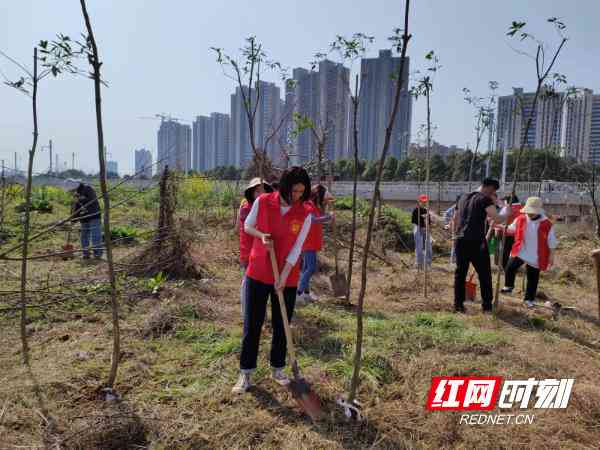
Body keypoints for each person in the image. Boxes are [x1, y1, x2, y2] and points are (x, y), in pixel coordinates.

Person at [232, 166, 312, 394]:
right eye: (294, 191)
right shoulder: (264, 201)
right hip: (258, 271)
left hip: (287, 276)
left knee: (282, 324)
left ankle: (278, 368)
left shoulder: (305, 213)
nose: (297, 196)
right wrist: (261, 236)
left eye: (301, 192)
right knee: (253, 324)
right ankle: (245, 373)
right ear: (285, 187)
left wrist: (284, 277)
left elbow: (298, 248)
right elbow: (247, 226)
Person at [453, 178, 511, 313]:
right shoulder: (484, 199)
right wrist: (506, 211)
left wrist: (455, 234)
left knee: (460, 274)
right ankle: (486, 306)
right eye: (493, 191)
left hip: (460, 239)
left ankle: (458, 305)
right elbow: (497, 218)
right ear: (489, 188)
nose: (492, 194)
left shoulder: (462, 197)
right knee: (484, 274)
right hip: (476, 242)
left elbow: (455, 218)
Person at [501, 197, 558, 307]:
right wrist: (502, 227)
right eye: (529, 211)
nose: (530, 214)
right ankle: (509, 286)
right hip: (521, 249)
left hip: (537, 253)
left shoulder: (546, 224)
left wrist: (552, 255)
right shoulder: (521, 219)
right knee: (510, 266)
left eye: (533, 212)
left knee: (532, 277)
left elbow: (552, 241)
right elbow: (512, 228)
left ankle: (529, 299)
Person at [238, 178, 272, 316]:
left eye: (263, 191)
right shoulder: (247, 208)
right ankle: (246, 312)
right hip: (248, 251)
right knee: (248, 282)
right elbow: (247, 220)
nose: (260, 194)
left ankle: (256, 310)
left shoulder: (268, 208)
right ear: (251, 193)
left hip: (261, 252)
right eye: (257, 191)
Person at [297, 184, 335, 305]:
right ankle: (298, 293)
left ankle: (306, 293)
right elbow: (313, 220)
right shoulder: (308, 205)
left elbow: (320, 216)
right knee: (311, 268)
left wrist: (328, 202)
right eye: (322, 198)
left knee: (305, 268)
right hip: (309, 242)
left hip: (312, 241)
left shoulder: (315, 206)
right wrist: (328, 217)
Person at [69, 180, 103, 261]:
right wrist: (72, 220)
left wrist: (80, 199)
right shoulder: (75, 195)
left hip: (93, 215)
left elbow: (92, 201)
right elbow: (75, 209)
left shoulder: (88, 188)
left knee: (95, 235)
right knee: (84, 236)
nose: (71, 192)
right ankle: (86, 253)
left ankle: (97, 254)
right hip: (84, 218)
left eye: (71, 190)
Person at [493, 194, 522, 270]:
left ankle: (505, 266)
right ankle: (513, 266)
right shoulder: (522, 208)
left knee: (505, 250)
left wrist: (496, 225)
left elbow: (499, 219)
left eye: (505, 201)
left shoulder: (507, 208)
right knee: (514, 251)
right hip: (518, 233)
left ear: (508, 201)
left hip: (507, 232)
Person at [412, 194, 432, 269]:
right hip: (418, 228)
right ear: (419, 201)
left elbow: (429, 223)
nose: (424, 203)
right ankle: (419, 264)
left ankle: (428, 263)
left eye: (425, 202)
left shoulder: (426, 210)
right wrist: (422, 222)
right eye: (422, 201)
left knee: (429, 247)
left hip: (426, 229)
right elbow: (414, 222)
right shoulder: (415, 210)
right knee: (419, 247)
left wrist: (427, 229)